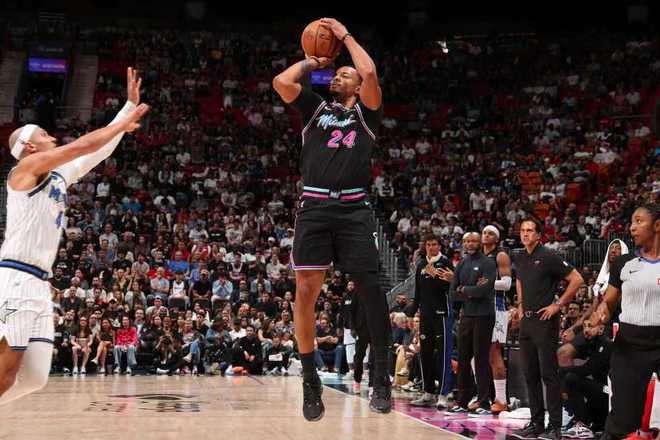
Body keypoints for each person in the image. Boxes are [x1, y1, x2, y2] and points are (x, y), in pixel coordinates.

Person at [0, 68, 147, 404]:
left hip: (39, 281)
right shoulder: (24, 170)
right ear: (30, 146)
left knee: (34, 376)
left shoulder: (56, 175)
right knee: (6, 371)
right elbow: (82, 144)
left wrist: (126, 109)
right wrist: (121, 123)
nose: (51, 136)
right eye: (44, 134)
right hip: (17, 278)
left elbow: (97, 151)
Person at [272, 17, 391, 420]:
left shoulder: (368, 114)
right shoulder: (316, 108)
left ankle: (381, 378)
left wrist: (345, 36)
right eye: (336, 73)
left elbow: (369, 72)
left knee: (371, 290)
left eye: (345, 74)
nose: (337, 76)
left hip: (354, 209)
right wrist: (311, 61)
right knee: (305, 292)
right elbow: (281, 83)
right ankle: (310, 379)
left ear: (357, 88)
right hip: (315, 207)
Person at [586, 204, 660, 440]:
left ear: (657, 225)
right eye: (632, 222)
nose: (632, 228)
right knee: (623, 418)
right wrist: (600, 315)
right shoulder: (624, 263)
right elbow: (609, 302)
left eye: (639, 221)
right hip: (629, 343)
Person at [511, 218, 584, 440]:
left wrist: (558, 305)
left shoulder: (549, 256)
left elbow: (577, 279)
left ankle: (555, 426)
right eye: (523, 230)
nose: (525, 234)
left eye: (530, 230)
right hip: (527, 322)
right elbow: (519, 280)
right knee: (530, 374)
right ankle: (536, 424)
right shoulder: (520, 256)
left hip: (544, 322)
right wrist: (520, 305)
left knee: (548, 375)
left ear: (539, 235)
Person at [448, 232, 497, 414]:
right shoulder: (462, 263)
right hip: (466, 315)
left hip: (484, 315)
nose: (470, 244)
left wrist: (465, 289)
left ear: (479, 243)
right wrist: (470, 290)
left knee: (481, 359)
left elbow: (485, 290)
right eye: (467, 241)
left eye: (473, 241)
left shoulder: (488, 263)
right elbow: (453, 293)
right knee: (463, 359)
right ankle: (462, 401)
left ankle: (484, 402)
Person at [405, 234, 454, 409]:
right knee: (424, 353)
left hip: (442, 315)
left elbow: (451, 288)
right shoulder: (421, 265)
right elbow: (418, 293)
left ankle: (443, 394)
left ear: (439, 246)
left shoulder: (445, 263)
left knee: (443, 355)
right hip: (425, 317)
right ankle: (428, 392)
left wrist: (436, 276)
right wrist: (411, 313)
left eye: (434, 244)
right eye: (428, 244)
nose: (431, 247)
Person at [481, 225, 513, 414]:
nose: (486, 235)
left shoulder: (500, 256)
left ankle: (502, 400)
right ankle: (483, 396)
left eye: (490, 233)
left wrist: (484, 284)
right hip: (479, 310)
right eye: (484, 232)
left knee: (494, 355)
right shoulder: (478, 257)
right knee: (477, 356)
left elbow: (507, 284)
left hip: (497, 309)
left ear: (497, 239)